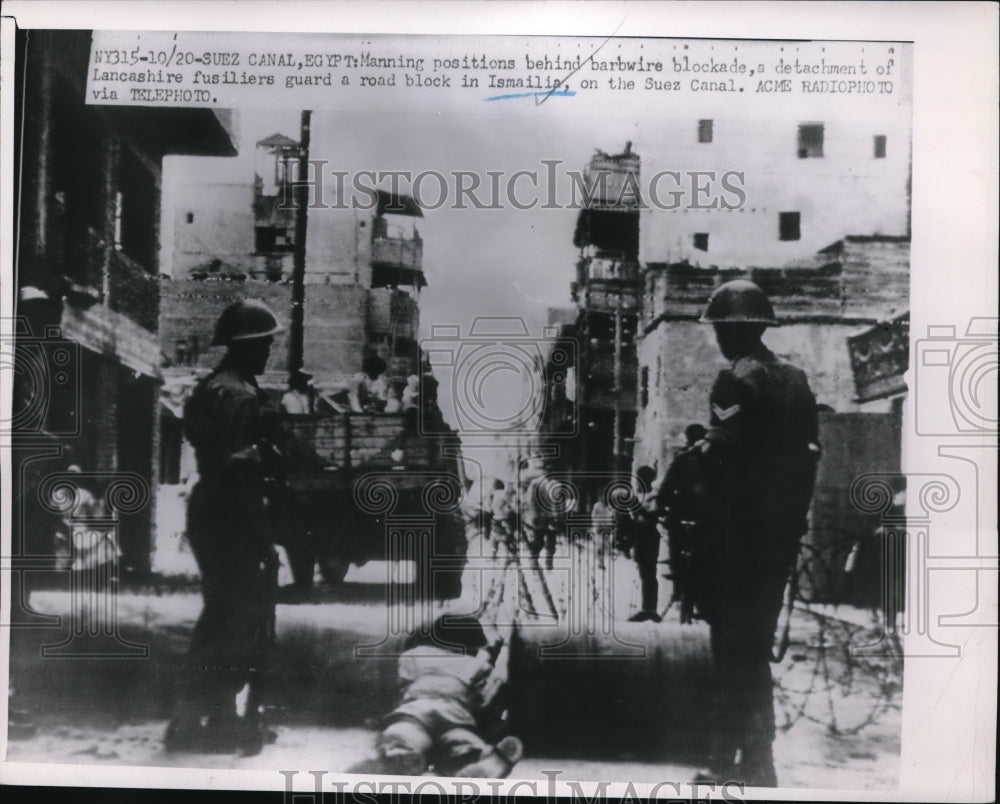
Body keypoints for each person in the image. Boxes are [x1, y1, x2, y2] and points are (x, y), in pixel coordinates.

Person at [686, 280, 821, 787]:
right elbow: (809, 456)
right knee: (755, 651)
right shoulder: (797, 379)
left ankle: (725, 761)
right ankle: (760, 762)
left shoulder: (735, 380)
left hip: (734, 541)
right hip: (776, 540)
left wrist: (701, 458)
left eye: (720, 328)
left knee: (729, 651)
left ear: (729, 330)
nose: (718, 338)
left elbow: (724, 456)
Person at [165, 299, 284, 756]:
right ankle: (199, 719)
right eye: (265, 343)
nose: (269, 351)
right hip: (232, 513)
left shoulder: (209, 387)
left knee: (221, 616)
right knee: (236, 622)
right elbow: (239, 472)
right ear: (247, 346)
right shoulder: (241, 395)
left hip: (209, 508)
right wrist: (263, 538)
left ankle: (213, 717)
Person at [347, 614, 524, 778]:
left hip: (416, 711)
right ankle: (476, 759)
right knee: (459, 742)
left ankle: (402, 755)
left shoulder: (415, 655)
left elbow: (397, 686)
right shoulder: (480, 667)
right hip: (457, 717)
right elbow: (489, 703)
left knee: (404, 733)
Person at [657, 423, 709, 623]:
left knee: (677, 552)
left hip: (680, 518)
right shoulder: (713, 460)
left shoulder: (681, 460)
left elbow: (665, 489)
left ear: (687, 440)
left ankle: (678, 586)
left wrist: (662, 508)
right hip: (704, 520)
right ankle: (701, 597)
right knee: (706, 557)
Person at [626, 465, 662, 623]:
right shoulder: (637, 496)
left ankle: (649, 609)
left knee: (649, 573)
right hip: (639, 536)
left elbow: (650, 516)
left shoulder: (654, 496)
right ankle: (647, 607)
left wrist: (637, 509)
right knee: (644, 572)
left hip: (649, 536)